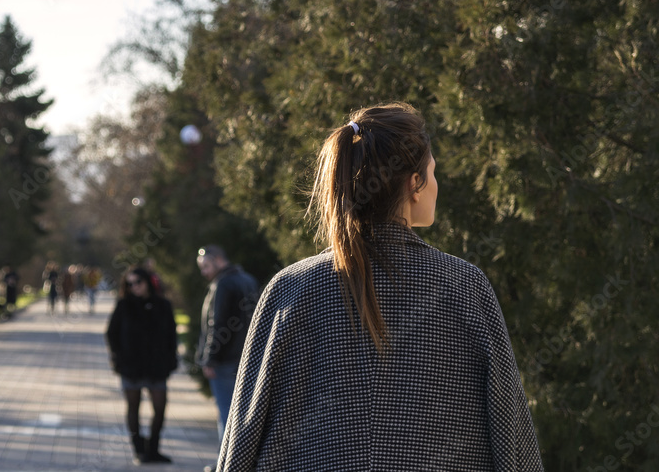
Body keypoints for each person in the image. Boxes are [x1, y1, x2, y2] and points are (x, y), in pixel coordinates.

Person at [218, 103, 543, 470]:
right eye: (433, 172)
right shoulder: (464, 288)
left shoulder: (290, 289)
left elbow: (243, 436)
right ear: (415, 183)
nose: (437, 184)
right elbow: (510, 433)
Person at [106, 267, 179, 465]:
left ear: (147, 282)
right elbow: (112, 333)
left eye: (137, 282)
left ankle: (153, 449)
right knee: (133, 408)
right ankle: (138, 449)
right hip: (131, 367)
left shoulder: (163, 305)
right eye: (129, 284)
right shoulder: (124, 306)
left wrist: (171, 359)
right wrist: (118, 358)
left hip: (157, 367)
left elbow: (172, 335)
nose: (134, 287)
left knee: (160, 407)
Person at [195, 245, 259, 447]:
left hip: (225, 362)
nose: (204, 272)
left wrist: (210, 358)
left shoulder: (222, 285)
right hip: (248, 358)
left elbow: (218, 324)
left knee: (227, 414)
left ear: (217, 259)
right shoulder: (248, 280)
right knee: (243, 415)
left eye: (205, 266)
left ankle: (226, 463)